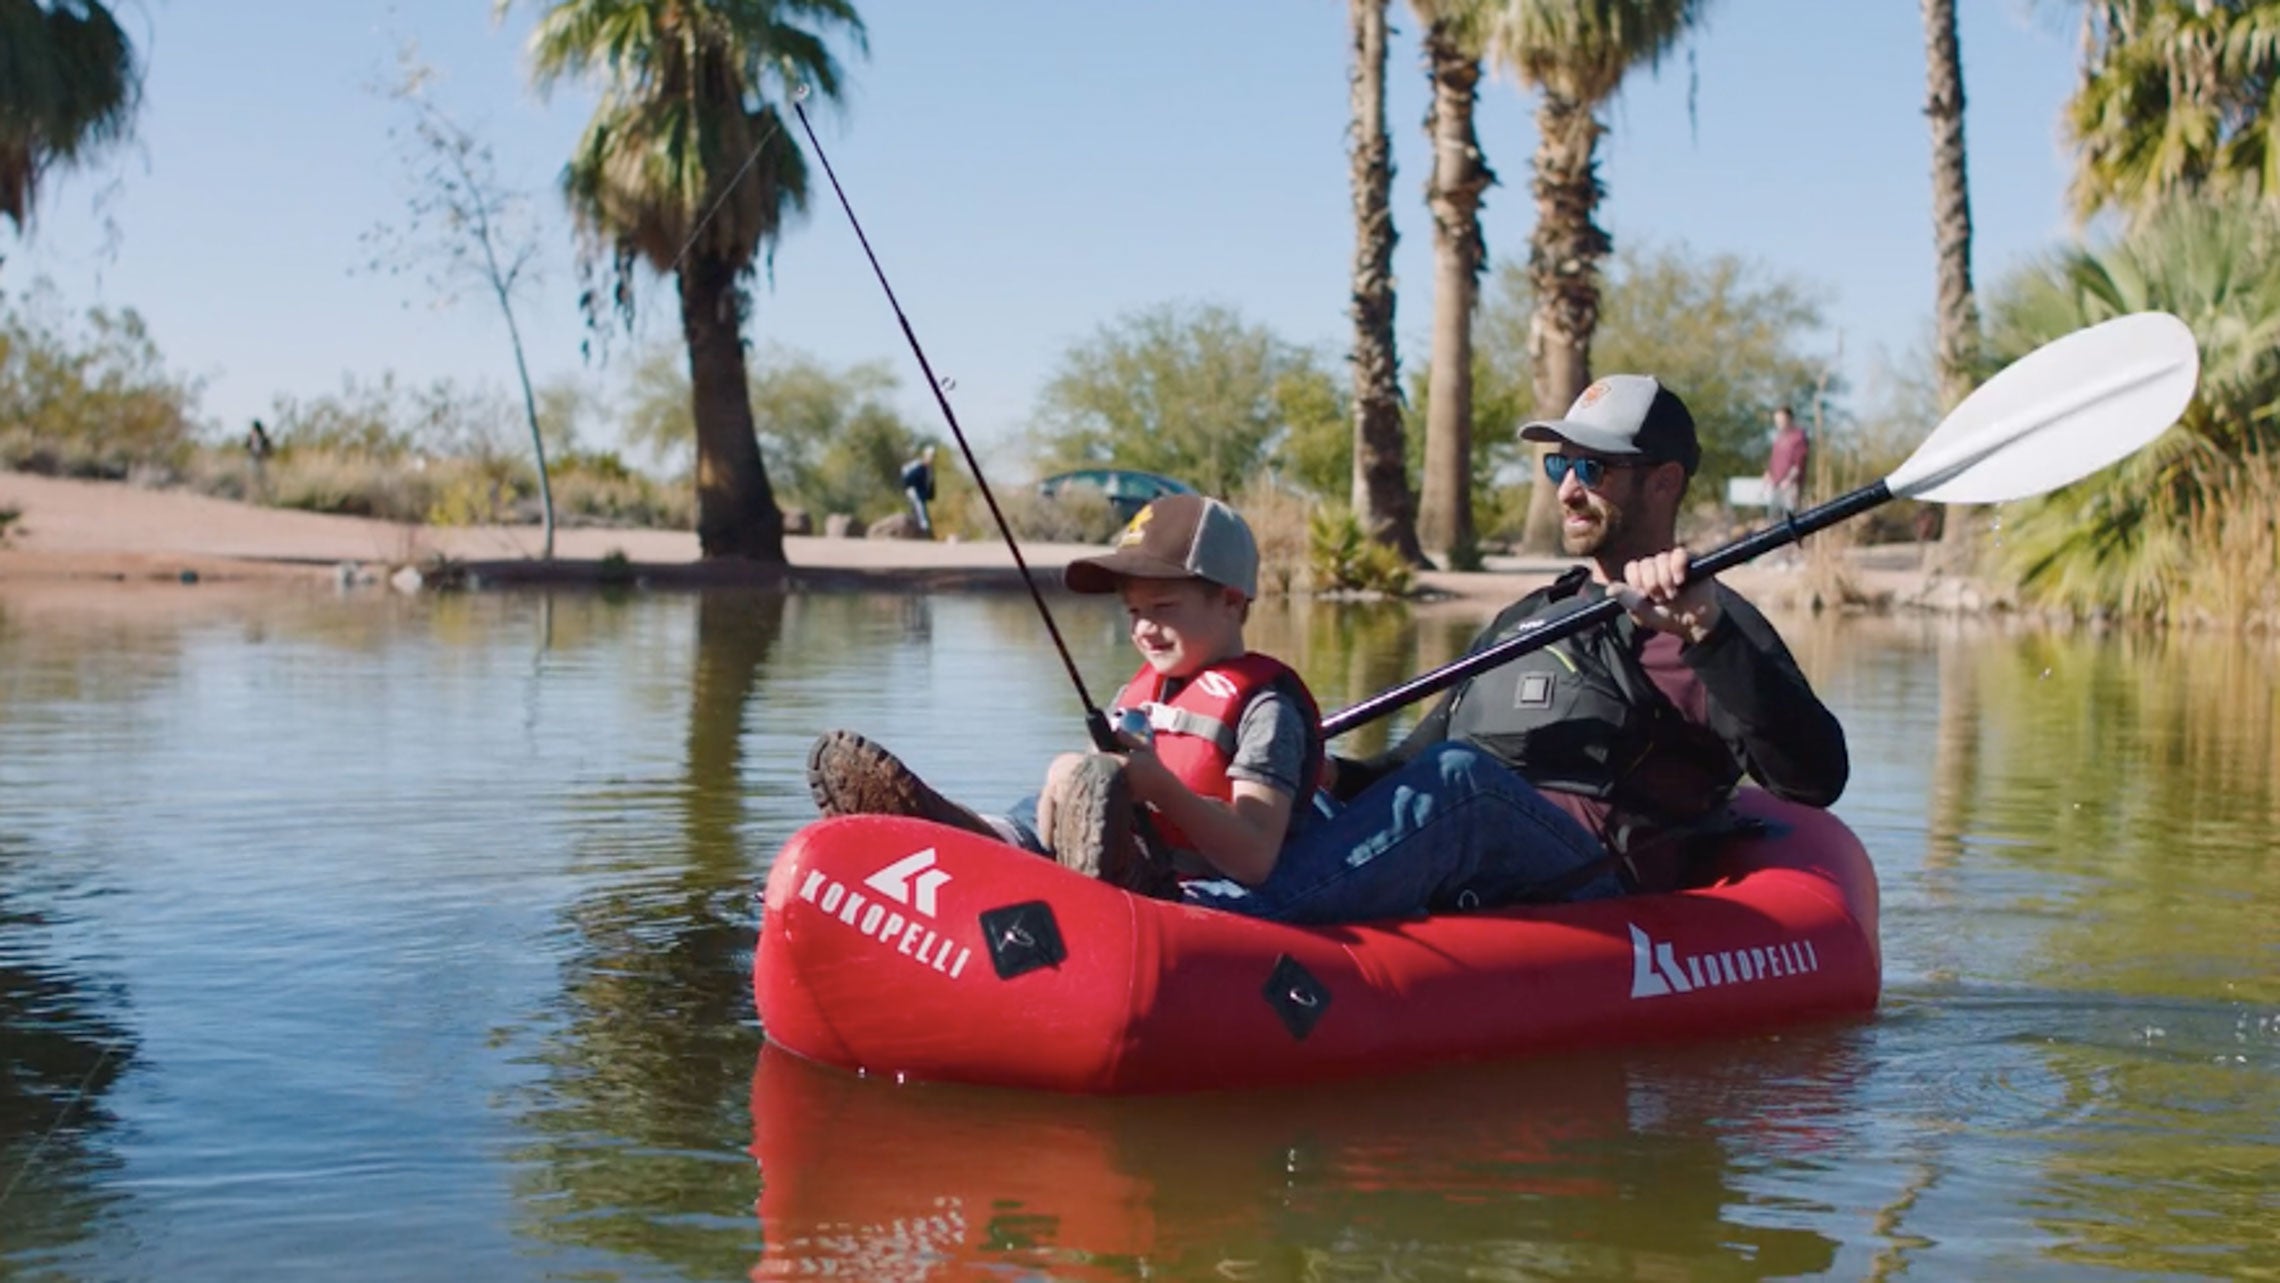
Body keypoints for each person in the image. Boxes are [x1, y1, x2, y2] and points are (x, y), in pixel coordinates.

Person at [807, 493, 1618, 922]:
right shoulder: (1150, 691)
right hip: (1170, 850)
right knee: (1068, 773)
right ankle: (972, 835)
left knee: (1122, 781)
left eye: (1164, 606)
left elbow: (1259, 858)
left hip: (1264, 885)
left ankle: (1121, 887)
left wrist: (1156, 786)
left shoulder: (1264, 705)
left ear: (1231, 602)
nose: (1144, 627)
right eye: (1132, 610)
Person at [1330, 375, 1849, 893]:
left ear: (1664, 481)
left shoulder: (1708, 621)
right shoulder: (1524, 617)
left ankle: (1266, 922)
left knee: (1464, 780)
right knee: (1332, 788)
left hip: (1588, 893)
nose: (1567, 490)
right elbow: (1408, 767)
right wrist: (1323, 775)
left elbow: (1815, 778)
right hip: (1462, 878)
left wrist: (1708, 635)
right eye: (1559, 464)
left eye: (1591, 468)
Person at [1765, 405, 1808, 524]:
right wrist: (1768, 474)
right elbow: (1774, 459)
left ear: (1789, 419)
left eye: (1781, 420)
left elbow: (1799, 463)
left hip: (1790, 486)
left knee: (1790, 519)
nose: (1778, 423)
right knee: (1774, 517)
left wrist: (1790, 480)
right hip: (1776, 484)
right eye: (1776, 421)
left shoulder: (1799, 437)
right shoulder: (1779, 438)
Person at [899, 445, 937, 538]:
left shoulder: (929, 469)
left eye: (933, 456)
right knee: (920, 510)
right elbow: (907, 478)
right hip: (914, 492)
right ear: (925, 455)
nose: (931, 458)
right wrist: (909, 488)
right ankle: (924, 531)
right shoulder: (918, 466)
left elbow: (930, 484)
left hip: (921, 494)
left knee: (919, 511)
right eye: (930, 455)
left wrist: (930, 495)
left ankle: (921, 532)